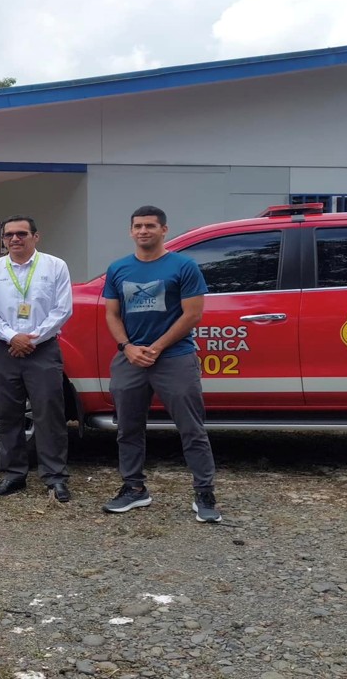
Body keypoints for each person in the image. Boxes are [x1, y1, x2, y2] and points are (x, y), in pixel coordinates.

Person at [102, 206, 222, 523]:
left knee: (192, 429)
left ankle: (204, 493)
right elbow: (112, 314)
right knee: (128, 428)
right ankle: (134, 488)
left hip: (175, 357)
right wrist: (127, 347)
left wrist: (155, 347)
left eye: (150, 226)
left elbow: (193, 314)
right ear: (131, 231)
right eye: (138, 226)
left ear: (164, 230)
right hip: (130, 359)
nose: (144, 231)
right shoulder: (118, 269)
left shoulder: (183, 266)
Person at [0, 215, 74, 502]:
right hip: (5, 348)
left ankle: (55, 477)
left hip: (42, 349)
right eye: (9, 235)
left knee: (49, 414)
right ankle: (13, 474)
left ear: (36, 236)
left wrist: (32, 338)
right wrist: (12, 337)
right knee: (7, 414)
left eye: (21, 233)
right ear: (3, 239)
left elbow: (63, 309)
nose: (15, 239)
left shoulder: (55, 266)